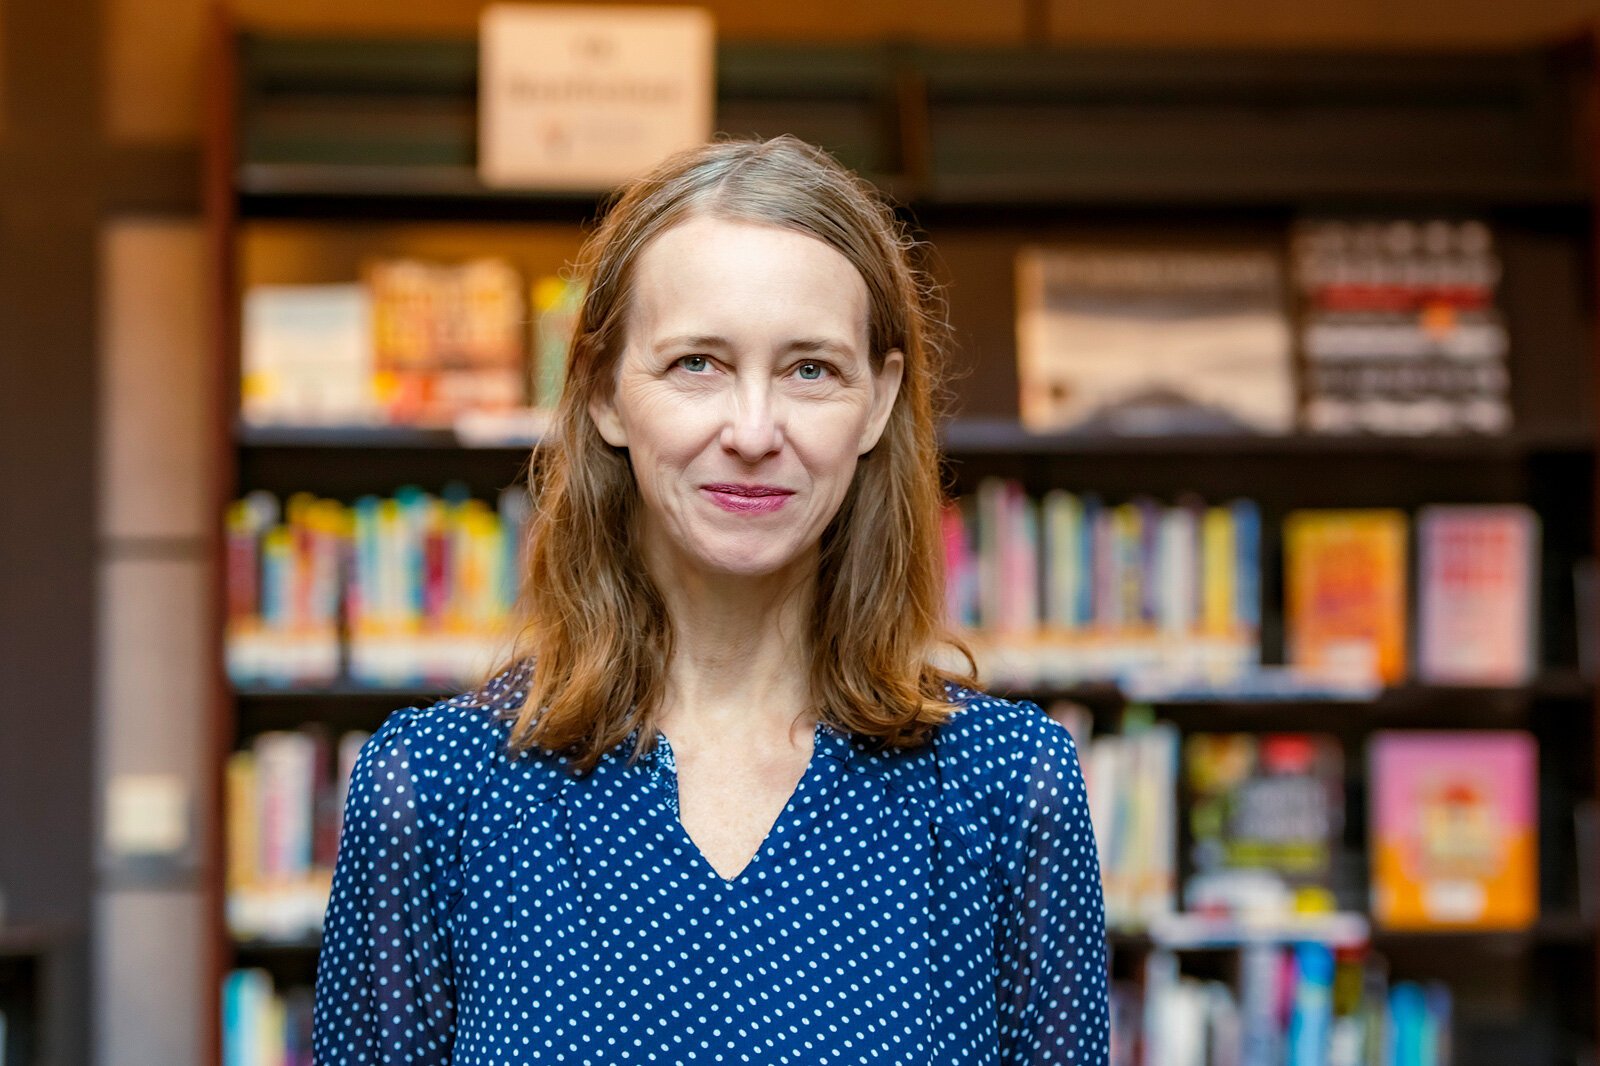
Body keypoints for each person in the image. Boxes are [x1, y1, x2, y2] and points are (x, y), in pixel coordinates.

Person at [311, 134, 1109, 1064]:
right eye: (698, 363)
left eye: (811, 369)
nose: (755, 430)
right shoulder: (436, 791)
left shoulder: (1010, 790)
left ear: (879, 401)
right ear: (606, 390)